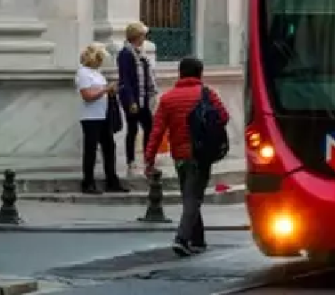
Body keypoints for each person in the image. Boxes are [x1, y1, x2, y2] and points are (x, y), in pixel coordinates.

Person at [144, 56, 229, 257]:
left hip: (180, 156)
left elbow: (156, 131)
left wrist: (149, 159)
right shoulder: (207, 94)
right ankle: (182, 239)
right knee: (193, 197)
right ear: (200, 73)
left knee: (190, 195)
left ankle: (198, 239)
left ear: (180, 73)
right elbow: (224, 117)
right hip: (202, 154)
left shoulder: (168, 99)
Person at [75, 43, 128, 195]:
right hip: (91, 116)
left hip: (103, 114)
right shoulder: (83, 73)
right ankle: (88, 182)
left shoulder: (97, 73)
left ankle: (112, 180)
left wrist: (111, 91)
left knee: (109, 147)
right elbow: (87, 96)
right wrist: (105, 89)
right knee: (90, 149)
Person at [117, 22, 157, 176]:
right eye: (142, 35)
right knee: (132, 129)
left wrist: (152, 94)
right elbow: (125, 79)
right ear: (135, 36)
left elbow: (148, 77)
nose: (144, 38)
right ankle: (130, 160)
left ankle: (148, 158)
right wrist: (131, 100)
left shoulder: (141, 53)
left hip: (144, 98)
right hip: (132, 99)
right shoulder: (125, 54)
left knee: (149, 127)